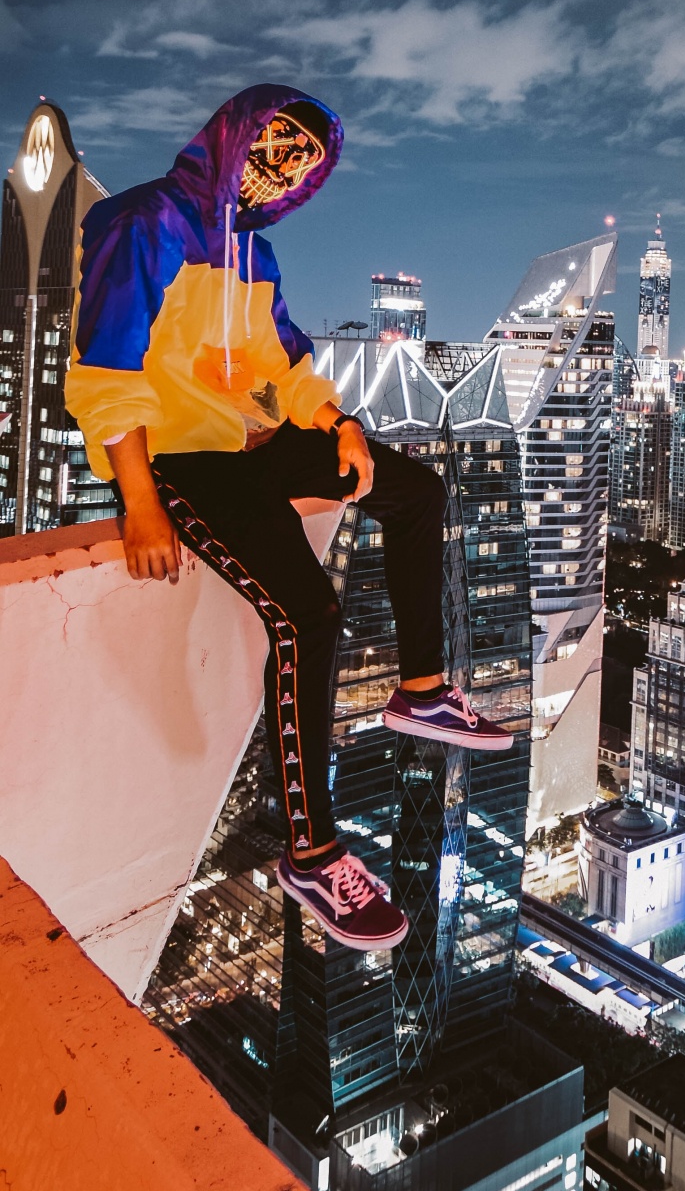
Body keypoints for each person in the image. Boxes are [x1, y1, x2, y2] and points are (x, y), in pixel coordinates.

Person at [64, 82, 512, 953]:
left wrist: (340, 425)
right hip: (176, 456)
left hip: (246, 443)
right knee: (308, 612)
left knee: (412, 488)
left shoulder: (252, 255)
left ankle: (420, 691)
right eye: (271, 149)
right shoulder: (143, 222)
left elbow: (281, 368)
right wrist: (141, 502)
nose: (277, 173)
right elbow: (105, 371)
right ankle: (313, 853)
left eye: (298, 165)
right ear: (233, 137)